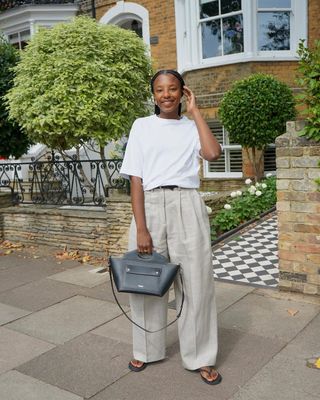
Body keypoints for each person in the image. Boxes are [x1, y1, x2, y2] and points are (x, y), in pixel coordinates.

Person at [120, 69, 222, 385]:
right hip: (149, 206)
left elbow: (213, 153)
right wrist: (141, 228)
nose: (166, 94)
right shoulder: (142, 126)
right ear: (153, 96)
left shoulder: (192, 127)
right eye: (160, 90)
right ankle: (146, 348)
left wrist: (196, 113)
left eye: (173, 89)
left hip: (187, 204)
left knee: (196, 284)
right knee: (146, 282)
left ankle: (201, 355)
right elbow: (135, 178)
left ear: (182, 93)